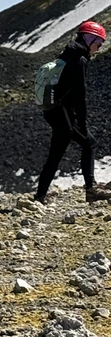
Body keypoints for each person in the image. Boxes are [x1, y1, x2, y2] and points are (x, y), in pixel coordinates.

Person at [35, 21, 111, 203]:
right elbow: (79, 94)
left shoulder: (67, 54)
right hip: (64, 113)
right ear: (89, 39)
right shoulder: (79, 60)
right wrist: (83, 123)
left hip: (54, 110)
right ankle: (90, 190)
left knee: (58, 153)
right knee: (88, 144)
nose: (98, 48)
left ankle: (40, 196)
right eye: (98, 44)